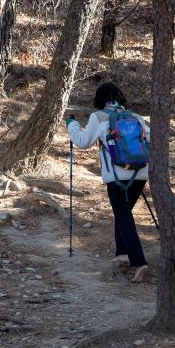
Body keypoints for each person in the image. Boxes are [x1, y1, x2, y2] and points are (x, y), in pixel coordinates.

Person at [66, 82, 151, 282]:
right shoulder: (136, 117)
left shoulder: (99, 117)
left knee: (123, 216)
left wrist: (72, 125)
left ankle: (139, 261)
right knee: (123, 214)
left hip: (116, 176)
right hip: (139, 173)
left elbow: (82, 141)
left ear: (100, 99)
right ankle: (123, 253)